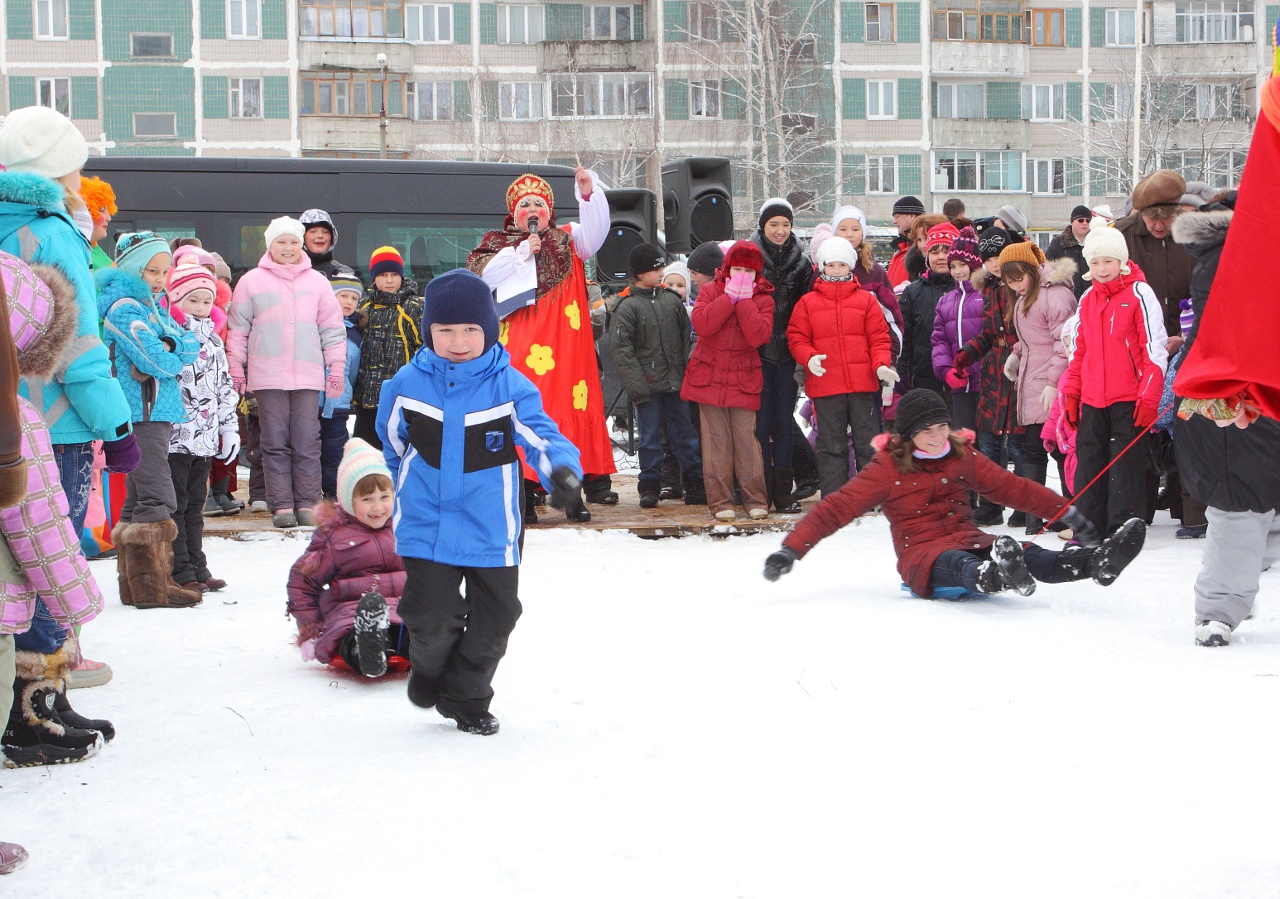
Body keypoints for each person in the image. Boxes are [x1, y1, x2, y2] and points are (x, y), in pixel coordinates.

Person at [376, 268, 588, 735]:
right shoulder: (405, 385)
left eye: (471, 329)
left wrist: (563, 474)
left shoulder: (509, 386)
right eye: (445, 330)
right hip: (426, 523)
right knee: (429, 615)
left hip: (491, 523)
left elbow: (542, 438)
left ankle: (466, 695)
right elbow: (392, 444)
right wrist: (398, 489)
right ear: (429, 330)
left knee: (498, 618)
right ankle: (428, 667)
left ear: (489, 330)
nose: (458, 341)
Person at [761, 389, 1147, 598]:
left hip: (971, 538)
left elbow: (1014, 488)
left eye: (942, 427)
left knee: (1030, 553)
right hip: (923, 556)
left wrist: (1067, 512)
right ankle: (991, 575)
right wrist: (790, 549)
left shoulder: (962, 455)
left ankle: (1094, 563)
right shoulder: (886, 468)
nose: (936, 437)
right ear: (909, 435)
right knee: (958, 564)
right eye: (927, 431)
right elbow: (835, 510)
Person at [0, 108, 136, 685]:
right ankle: (47, 678)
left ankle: (19, 673)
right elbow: (79, 345)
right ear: (60, 171)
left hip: (8, 422)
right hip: (56, 424)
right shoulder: (53, 231)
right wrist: (117, 425)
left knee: (12, 560)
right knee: (51, 554)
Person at [1, 250, 112, 768]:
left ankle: (41, 701)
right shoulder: (12, 415)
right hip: (67, 426)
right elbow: (39, 523)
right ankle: (30, 709)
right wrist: (78, 598)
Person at [468, 168, 616, 508]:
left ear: (549, 210)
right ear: (513, 214)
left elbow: (596, 233)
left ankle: (588, 473)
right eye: (525, 204)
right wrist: (521, 253)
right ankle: (529, 479)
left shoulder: (569, 237)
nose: (533, 209)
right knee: (528, 402)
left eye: (539, 203)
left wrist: (589, 195)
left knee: (571, 398)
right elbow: (484, 278)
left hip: (567, 339)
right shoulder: (496, 244)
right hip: (521, 336)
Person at [98, 234, 203, 609]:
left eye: (163, 270)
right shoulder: (127, 309)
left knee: (139, 499)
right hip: (141, 413)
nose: (160, 278)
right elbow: (157, 361)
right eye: (151, 270)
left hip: (152, 411)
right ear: (131, 268)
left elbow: (191, 342)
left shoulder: (151, 307)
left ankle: (139, 586)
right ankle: (155, 587)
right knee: (158, 497)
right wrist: (172, 347)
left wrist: (172, 343)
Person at [226, 216, 347, 529]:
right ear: (270, 245)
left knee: (307, 441)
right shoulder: (251, 281)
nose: (289, 248)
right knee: (274, 442)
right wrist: (236, 367)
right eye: (282, 242)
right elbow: (238, 329)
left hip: (307, 376)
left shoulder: (317, 282)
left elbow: (333, 329)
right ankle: (281, 505)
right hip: (267, 376)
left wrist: (335, 368)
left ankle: (307, 502)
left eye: (294, 241)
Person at [1059, 220, 1168, 536]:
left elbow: (1154, 349)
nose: (1102, 268)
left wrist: (1149, 396)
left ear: (1120, 262)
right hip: (1093, 397)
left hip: (1129, 397)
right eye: (1095, 262)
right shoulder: (1088, 298)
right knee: (1090, 460)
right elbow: (1078, 352)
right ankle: (1089, 524)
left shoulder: (1138, 293)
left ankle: (1124, 526)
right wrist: (1072, 394)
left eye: (1108, 261)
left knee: (1125, 465)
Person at [286, 438, 408, 677]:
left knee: (421, 634)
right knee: (348, 637)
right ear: (348, 501)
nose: (378, 507)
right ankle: (366, 649)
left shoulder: (406, 527)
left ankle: (422, 651)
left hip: (406, 611)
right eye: (367, 499)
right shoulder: (334, 535)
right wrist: (311, 629)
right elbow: (302, 582)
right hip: (352, 613)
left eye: (384, 497)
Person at [787, 235, 893, 496]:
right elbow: (796, 336)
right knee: (831, 445)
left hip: (862, 384)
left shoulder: (867, 301)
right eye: (831, 265)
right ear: (822, 266)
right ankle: (835, 497)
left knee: (867, 443)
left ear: (850, 266)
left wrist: (881, 365)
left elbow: (879, 337)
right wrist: (809, 357)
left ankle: (870, 496)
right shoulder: (808, 303)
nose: (836, 270)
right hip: (825, 386)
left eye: (842, 265)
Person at [680, 240, 774, 521]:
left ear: (757, 273)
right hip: (708, 375)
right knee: (715, 443)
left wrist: (744, 301)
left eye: (748, 269)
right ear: (726, 267)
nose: (742, 273)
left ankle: (755, 499)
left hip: (743, 377)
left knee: (747, 441)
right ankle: (721, 503)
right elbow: (703, 325)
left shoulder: (764, 299)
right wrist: (728, 298)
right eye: (737, 268)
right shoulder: (710, 290)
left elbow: (759, 336)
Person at [609, 244, 704, 507]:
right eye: (656, 268)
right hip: (647, 388)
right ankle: (649, 484)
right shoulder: (627, 307)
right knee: (649, 439)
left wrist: (684, 374)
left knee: (685, 435)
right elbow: (622, 351)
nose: (661, 272)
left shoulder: (671, 301)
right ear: (639, 273)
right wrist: (638, 387)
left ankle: (694, 483)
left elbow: (686, 340)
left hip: (675, 384)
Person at [164, 263, 238, 593]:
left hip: (205, 438)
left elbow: (224, 385)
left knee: (195, 505)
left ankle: (198, 564)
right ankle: (180, 569)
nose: (200, 308)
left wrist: (229, 427)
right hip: (176, 438)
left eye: (206, 301)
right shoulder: (168, 335)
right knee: (177, 505)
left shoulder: (214, 342)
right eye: (192, 300)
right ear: (176, 299)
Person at [1000, 242, 1079, 535]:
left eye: (1018, 278)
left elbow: (1064, 343)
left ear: (1032, 271)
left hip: (1050, 385)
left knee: (1058, 449)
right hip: (1032, 382)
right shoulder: (1025, 297)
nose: (1014, 286)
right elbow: (1035, 338)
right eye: (1009, 281)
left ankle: (1067, 513)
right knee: (1033, 449)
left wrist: (1052, 383)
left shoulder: (1055, 296)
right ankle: (1037, 517)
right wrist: (1017, 354)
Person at [953, 226, 1023, 526]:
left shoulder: (1020, 285)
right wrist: (969, 351)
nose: (994, 263)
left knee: (1020, 443)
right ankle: (993, 506)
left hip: (1021, 367)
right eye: (989, 258)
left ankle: (1023, 504)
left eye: (999, 257)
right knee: (989, 442)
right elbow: (988, 332)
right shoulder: (990, 288)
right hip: (994, 368)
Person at [750, 199, 812, 514]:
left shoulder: (802, 263)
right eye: (774, 224)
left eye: (785, 225)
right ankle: (759, 490)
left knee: (784, 423)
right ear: (763, 226)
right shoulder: (749, 258)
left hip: (788, 353)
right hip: (758, 354)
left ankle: (784, 491)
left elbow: (807, 309)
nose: (780, 230)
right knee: (759, 423)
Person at [350, 246, 422, 449]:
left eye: (394, 274)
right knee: (365, 451)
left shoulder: (412, 307)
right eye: (383, 275)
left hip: (401, 394)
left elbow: (424, 348)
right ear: (374, 278)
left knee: (399, 448)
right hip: (367, 396)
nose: (389, 280)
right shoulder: (363, 307)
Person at [931, 226, 984, 431]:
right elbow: (939, 340)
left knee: (988, 443)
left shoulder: (986, 295)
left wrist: (969, 367)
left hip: (984, 382)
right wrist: (946, 370)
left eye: (963, 264)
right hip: (959, 385)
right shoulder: (946, 301)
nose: (957, 271)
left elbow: (989, 337)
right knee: (963, 438)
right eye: (953, 266)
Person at [898, 221, 957, 398]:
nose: (941, 257)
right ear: (926, 255)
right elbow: (904, 337)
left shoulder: (969, 290)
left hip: (962, 377)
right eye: (935, 251)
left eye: (946, 251)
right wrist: (902, 374)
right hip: (923, 377)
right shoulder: (913, 291)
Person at [321, 270, 363, 500]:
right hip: (313, 402)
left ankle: (333, 493)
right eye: (343, 296)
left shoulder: (356, 335)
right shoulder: (317, 326)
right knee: (309, 452)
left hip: (338, 405)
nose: (349, 302)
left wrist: (346, 394)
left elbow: (353, 371)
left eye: (354, 298)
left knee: (335, 452)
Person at [1047, 205, 1092, 298]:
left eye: (1088, 220)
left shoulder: (1096, 242)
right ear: (1072, 222)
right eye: (1080, 220)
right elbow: (1046, 269)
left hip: (1092, 298)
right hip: (1067, 298)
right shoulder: (1058, 243)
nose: (1085, 223)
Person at [77, 175, 116, 272]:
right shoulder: (77, 253)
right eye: (102, 210)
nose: (109, 218)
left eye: (108, 211)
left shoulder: (93, 248)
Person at [298, 208, 351, 279]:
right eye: (313, 231)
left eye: (325, 232)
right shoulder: (290, 269)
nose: (320, 236)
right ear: (302, 237)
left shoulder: (344, 273)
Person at [887, 195, 925, 290]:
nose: (894, 221)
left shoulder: (921, 249)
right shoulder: (900, 247)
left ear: (912, 216)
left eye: (897, 216)